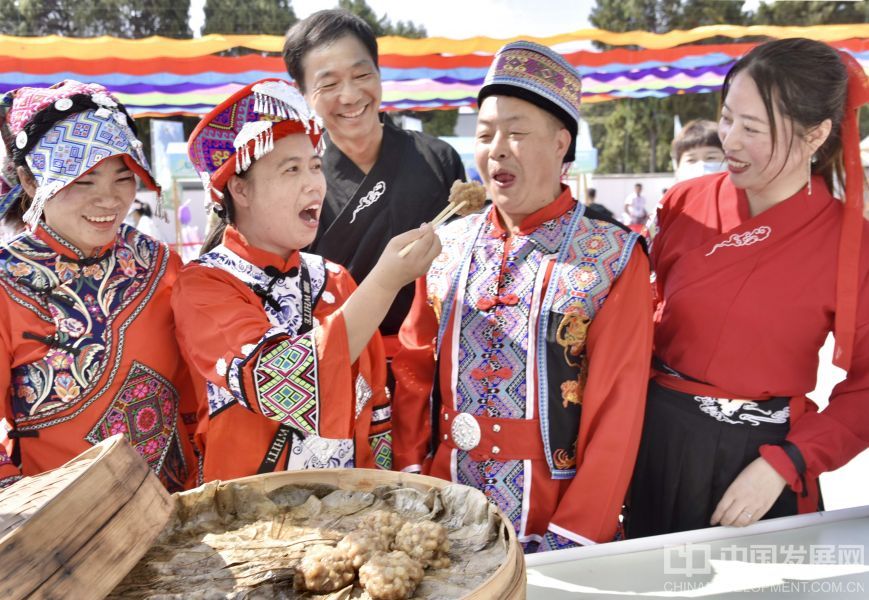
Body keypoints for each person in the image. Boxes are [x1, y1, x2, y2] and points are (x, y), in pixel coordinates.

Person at [393, 41, 653, 552]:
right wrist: (410, 480)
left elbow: (618, 412)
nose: (497, 149)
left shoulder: (613, 257)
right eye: (486, 135)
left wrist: (575, 533)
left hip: (554, 511)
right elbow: (412, 373)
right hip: (444, 503)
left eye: (516, 133)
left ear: (561, 143)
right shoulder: (445, 246)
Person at [628, 38, 869, 537]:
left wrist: (788, 462)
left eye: (752, 128)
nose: (729, 140)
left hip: (759, 462)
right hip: (653, 439)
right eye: (727, 117)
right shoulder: (683, 202)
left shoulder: (851, 242)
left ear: (817, 134)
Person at [176, 79, 440, 481]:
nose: (313, 183)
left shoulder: (333, 278)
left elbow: (375, 408)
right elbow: (276, 379)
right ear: (240, 189)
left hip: (348, 512)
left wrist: (383, 493)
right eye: (291, 169)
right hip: (249, 522)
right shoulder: (204, 285)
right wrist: (385, 282)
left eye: (315, 166)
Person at [0, 81, 200, 491]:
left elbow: (195, 391)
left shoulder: (161, 263)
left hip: (177, 506)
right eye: (84, 180)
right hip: (60, 522)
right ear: (30, 181)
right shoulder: (6, 281)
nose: (108, 200)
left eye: (123, 178)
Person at [283, 9, 465, 372]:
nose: (350, 96)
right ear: (303, 93)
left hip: (437, 363)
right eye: (329, 84)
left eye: (362, 75)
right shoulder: (296, 184)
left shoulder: (437, 159)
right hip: (340, 367)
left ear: (379, 75)